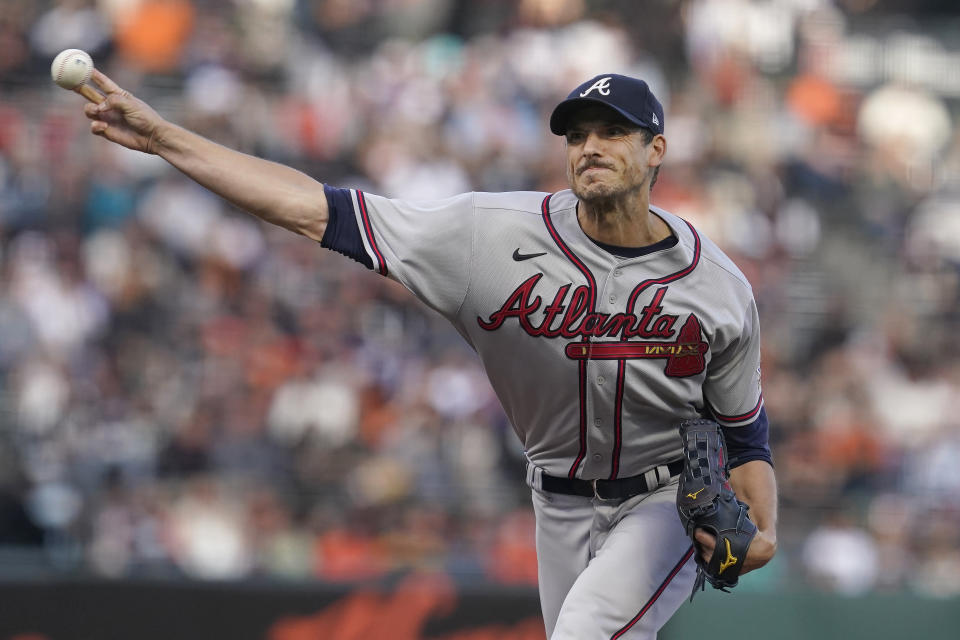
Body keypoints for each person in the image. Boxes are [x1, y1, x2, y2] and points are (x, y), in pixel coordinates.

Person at [80, 70, 777, 639]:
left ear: (657, 150)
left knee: (587, 633)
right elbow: (314, 210)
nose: (590, 146)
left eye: (614, 131)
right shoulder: (487, 235)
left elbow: (746, 437)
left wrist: (764, 530)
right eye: (578, 134)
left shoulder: (715, 286)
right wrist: (168, 139)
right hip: (556, 500)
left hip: (662, 498)